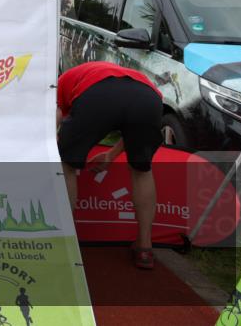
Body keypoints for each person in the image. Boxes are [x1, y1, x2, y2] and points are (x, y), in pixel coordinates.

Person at [56, 61, 163, 269]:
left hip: (97, 93)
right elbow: (131, 128)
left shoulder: (62, 81)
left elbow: (58, 114)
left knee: (66, 165)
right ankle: (144, 247)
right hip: (149, 99)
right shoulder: (135, 78)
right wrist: (111, 155)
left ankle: (64, 241)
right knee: (142, 169)